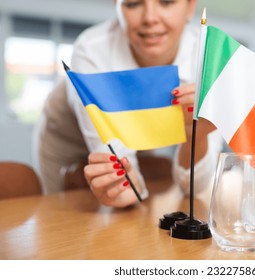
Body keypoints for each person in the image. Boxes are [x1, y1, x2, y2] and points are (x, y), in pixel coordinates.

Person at [34, 0, 224, 208]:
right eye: (133, 4)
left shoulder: (209, 55)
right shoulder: (92, 49)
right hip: (66, 141)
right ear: (117, 6)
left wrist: (197, 136)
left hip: (138, 131)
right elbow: (119, 163)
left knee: (134, 207)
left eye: (167, 2)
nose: (150, 18)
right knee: (60, 212)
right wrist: (128, 189)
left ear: (189, 7)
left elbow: (194, 188)